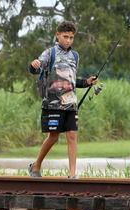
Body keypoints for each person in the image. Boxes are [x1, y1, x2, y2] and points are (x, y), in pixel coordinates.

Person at [27, 21, 97, 178]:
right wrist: (34, 65)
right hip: (52, 104)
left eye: (71, 37)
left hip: (71, 104)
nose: (69, 40)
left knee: (72, 136)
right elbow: (34, 69)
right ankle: (36, 165)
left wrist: (86, 82)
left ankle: (72, 175)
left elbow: (71, 81)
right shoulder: (49, 53)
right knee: (53, 137)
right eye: (65, 37)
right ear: (57, 35)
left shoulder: (75, 56)